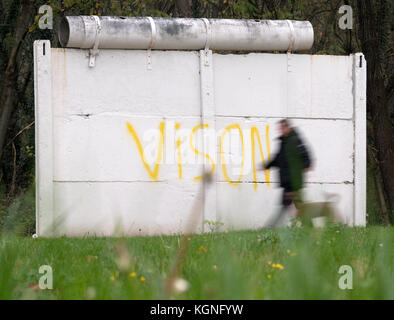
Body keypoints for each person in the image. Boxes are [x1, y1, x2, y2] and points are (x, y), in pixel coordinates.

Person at [263, 119, 312, 227]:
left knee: (287, 206)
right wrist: (266, 166)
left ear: (288, 128)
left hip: (293, 181)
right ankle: (309, 226)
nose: (280, 130)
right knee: (298, 206)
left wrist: (307, 165)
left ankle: (271, 227)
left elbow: (305, 154)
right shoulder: (283, 142)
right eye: (279, 128)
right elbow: (277, 158)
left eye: (282, 128)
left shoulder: (294, 140)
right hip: (288, 181)